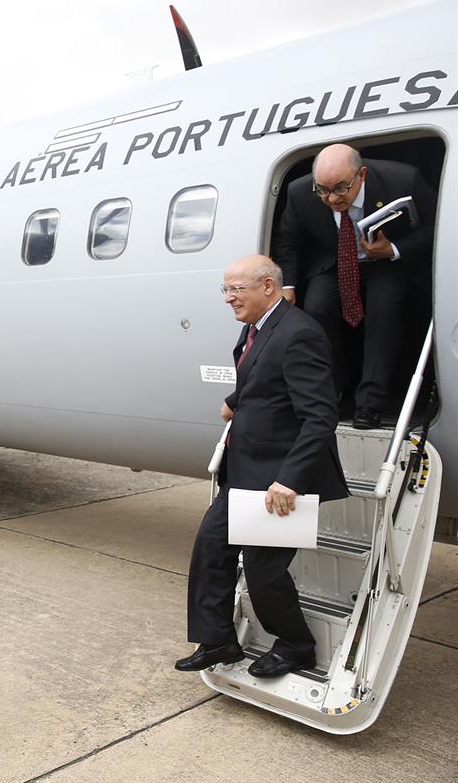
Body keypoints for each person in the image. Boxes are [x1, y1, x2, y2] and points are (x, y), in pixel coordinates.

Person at [175, 256, 348, 679]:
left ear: (267, 286)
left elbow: (320, 415)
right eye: (226, 289)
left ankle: (296, 645)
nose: (229, 298)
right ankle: (219, 639)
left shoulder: (298, 333)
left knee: (263, 570)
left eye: (237, 289)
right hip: (245, 471)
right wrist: (236, 401)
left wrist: (290, 480)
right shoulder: (258, 328)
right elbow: (265, 379)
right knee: (210, 549)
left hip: (277, 477)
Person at [271, 143, 437, 429]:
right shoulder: (300, 192)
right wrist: (288, 285)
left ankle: (371, 402)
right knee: (316, 309)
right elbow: (288, 240)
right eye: (322, 190)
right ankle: (333, 390)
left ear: (362, 175)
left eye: (340, 188)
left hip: (385, 263)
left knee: (384, 312)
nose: (332, 198)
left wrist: (394, 248)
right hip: (334, 262)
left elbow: (438, 224)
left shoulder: (403, 179)